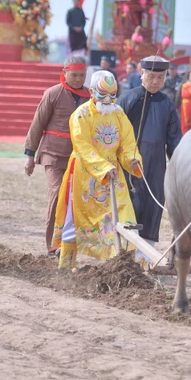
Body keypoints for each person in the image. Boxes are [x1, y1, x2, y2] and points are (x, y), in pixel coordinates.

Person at [52, 70, 142, 271]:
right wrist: (102, 167)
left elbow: (128, 142)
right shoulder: (81, 115)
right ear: (92, 91)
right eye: (103, 94)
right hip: (85, 174)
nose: (108, 99)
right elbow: (82, 146)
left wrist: (132, 159)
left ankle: (127, 265)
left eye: (113, 94)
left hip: (114, 174)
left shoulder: (118, 113)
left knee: (124, 214)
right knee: (75, 218)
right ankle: (66, 265)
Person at [24, 55, 89, 254]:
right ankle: (51, 245)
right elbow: (38, 124)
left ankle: (69, 242)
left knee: (75, 197)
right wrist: (30, 155)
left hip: (79, 157)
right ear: (65, 73)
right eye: (74, 75)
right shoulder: (53, 93)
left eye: (82, 75)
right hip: (52, 153)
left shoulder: (90, 96)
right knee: (58, 192)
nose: (78, 79)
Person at [118, 55, 182, 253]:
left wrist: (177, 163)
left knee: (153, 205)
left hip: (156, 164)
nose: (156, 82)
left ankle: (145, 254)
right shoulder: (128, 99)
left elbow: (174, 139)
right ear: (142, 74)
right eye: (152, 76)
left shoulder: (167, 104)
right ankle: (123, 251)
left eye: (160, 78)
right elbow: (115, 132)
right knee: (130, 203)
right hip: (129, 163)